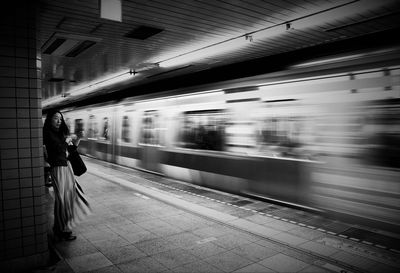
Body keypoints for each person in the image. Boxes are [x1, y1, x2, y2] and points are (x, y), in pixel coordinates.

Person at [43, 109, 90, 241]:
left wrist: (78, 138)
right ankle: (60, 229)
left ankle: (63, 227)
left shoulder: (60, 133)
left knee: (69, 197)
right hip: (58, 168)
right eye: (56, 118)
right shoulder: (47, 133)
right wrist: (67, 139)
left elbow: (71, 149)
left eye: (60, 118)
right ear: (49, 120)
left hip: (66, 166)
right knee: (62, 199)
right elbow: (58, 148)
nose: (59, 121)